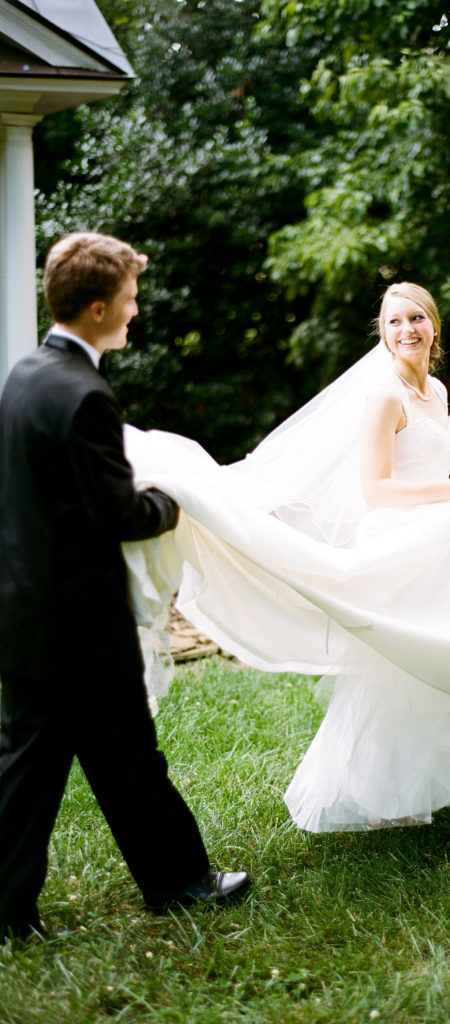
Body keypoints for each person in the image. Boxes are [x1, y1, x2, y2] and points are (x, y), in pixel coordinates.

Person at [122, 281, 450, 833]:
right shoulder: (384, 396)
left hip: (435, 535)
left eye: (416, 318)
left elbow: (439, 457)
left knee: (436, 662)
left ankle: (420, 785)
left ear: (434, 326)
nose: (407, 330)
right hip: (400, 540)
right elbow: (377, 489)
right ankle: (370, 793)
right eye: (394, 322)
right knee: (399, 667)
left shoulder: (436, 392)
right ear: (382, 332)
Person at [0, 232, 250, 943]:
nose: (138, 311)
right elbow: (120, 514)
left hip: (25, 614)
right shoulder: (85, 396)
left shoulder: (23, 375)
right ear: (101, 306)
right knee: (127, 759)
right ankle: (182, 885)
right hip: (79, 625)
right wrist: (174, 499)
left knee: (31, 770)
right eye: (133, 299)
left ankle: (13, 908)